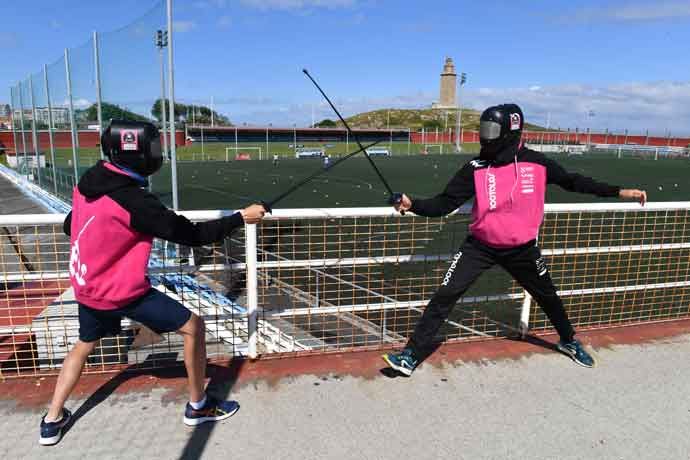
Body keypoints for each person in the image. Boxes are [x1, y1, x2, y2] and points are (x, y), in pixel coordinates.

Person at [39, 120, 266, 446]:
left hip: (86, 285)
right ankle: (198, 406)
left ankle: (51, 420)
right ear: (139, 156)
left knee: (83, 345)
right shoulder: (135, 202)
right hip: (120, 291)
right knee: (193, 327)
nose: (158, 153)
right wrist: (241, 218)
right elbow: (195, 235)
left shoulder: (88, 182)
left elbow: (69, 225)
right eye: (154, 148)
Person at [382, 104, 647, 376]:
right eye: (484, 129)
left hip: (522, 250)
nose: (486, 135)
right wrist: (412, 204)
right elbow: (444, 203)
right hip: (479, 247)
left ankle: (568, 341)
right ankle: (410, 355)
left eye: (492, 129)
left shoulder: (537, 163)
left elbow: (574, 182)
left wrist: (620, 191)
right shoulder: (475, 167)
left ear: (510, 132)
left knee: (548, 297)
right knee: (445, 295)